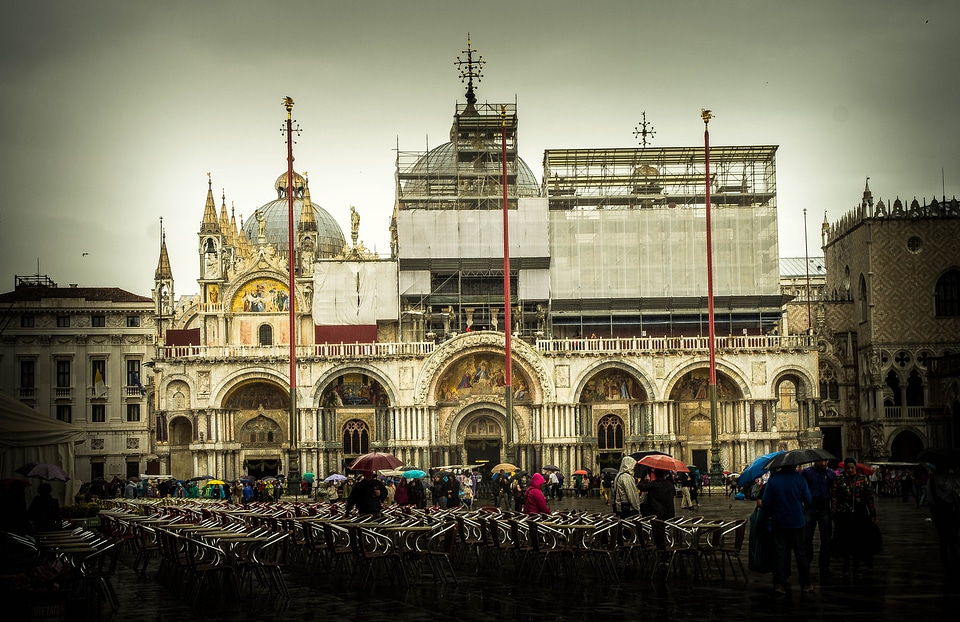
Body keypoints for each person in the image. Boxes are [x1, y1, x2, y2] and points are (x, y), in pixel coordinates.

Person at [762, 465, 813, 595]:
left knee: (779, 553)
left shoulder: (773, 479)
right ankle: (806, 583)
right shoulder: (799, 478)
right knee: (800, 553)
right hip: (797, 521)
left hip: (779, 521)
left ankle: (778, 583)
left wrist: (767, 516)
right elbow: (808, 499)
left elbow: (766, 501)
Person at [831, 457, 878, 577]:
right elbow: (835, 496)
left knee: (858, 541)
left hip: (859, 513)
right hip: (845, 513)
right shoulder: (839, 479)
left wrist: (872, 513)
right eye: (848, 468)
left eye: (852, 468)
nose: (850, 470)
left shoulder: (862, 479)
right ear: (844, 468)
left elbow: (869, 497)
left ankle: (856, 567)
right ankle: (846, 565)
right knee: (845, 540)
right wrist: (834, 511)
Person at [801, 459, 836, 582]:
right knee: (806, 538)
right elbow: (802, 489)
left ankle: (824, 567)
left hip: (824, 508)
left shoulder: (831, 474)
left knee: (826, 540)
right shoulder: (806, 473)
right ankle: (806, 566)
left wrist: (834, 506)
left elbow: (835, 491)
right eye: (821, 461)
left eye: (826, 461)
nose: (823, 463)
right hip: (810, 507)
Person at [926, 463, 960, 578]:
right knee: (953, 539)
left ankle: (946, 564)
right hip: (952, 512)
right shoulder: (952, 479)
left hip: (939, 513)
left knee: (942, 539)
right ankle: (955, 562)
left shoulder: (932, 480)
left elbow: (930, 498)